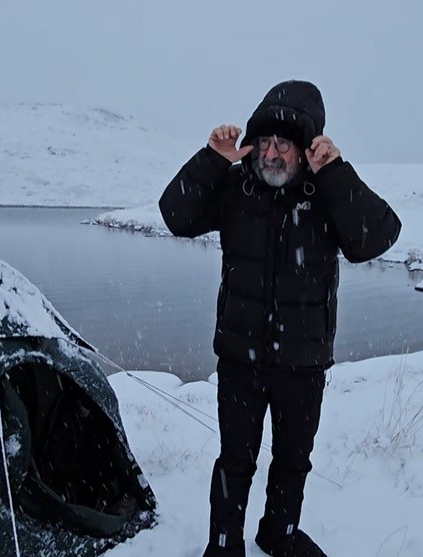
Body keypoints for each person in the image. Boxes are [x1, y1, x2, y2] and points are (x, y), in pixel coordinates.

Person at [158, 80, 401, 557]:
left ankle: (280, 532)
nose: (272, 153)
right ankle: (224, 542)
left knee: (293, 459)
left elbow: (377, 237)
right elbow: (176, 215)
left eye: (283, 144)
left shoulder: (326, 194)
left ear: (304, 148)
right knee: (235, 461)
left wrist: (335, 173)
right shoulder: (237, 187)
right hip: (240, 357)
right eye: (265, 142)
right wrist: (213, 158)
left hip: (303, 360)